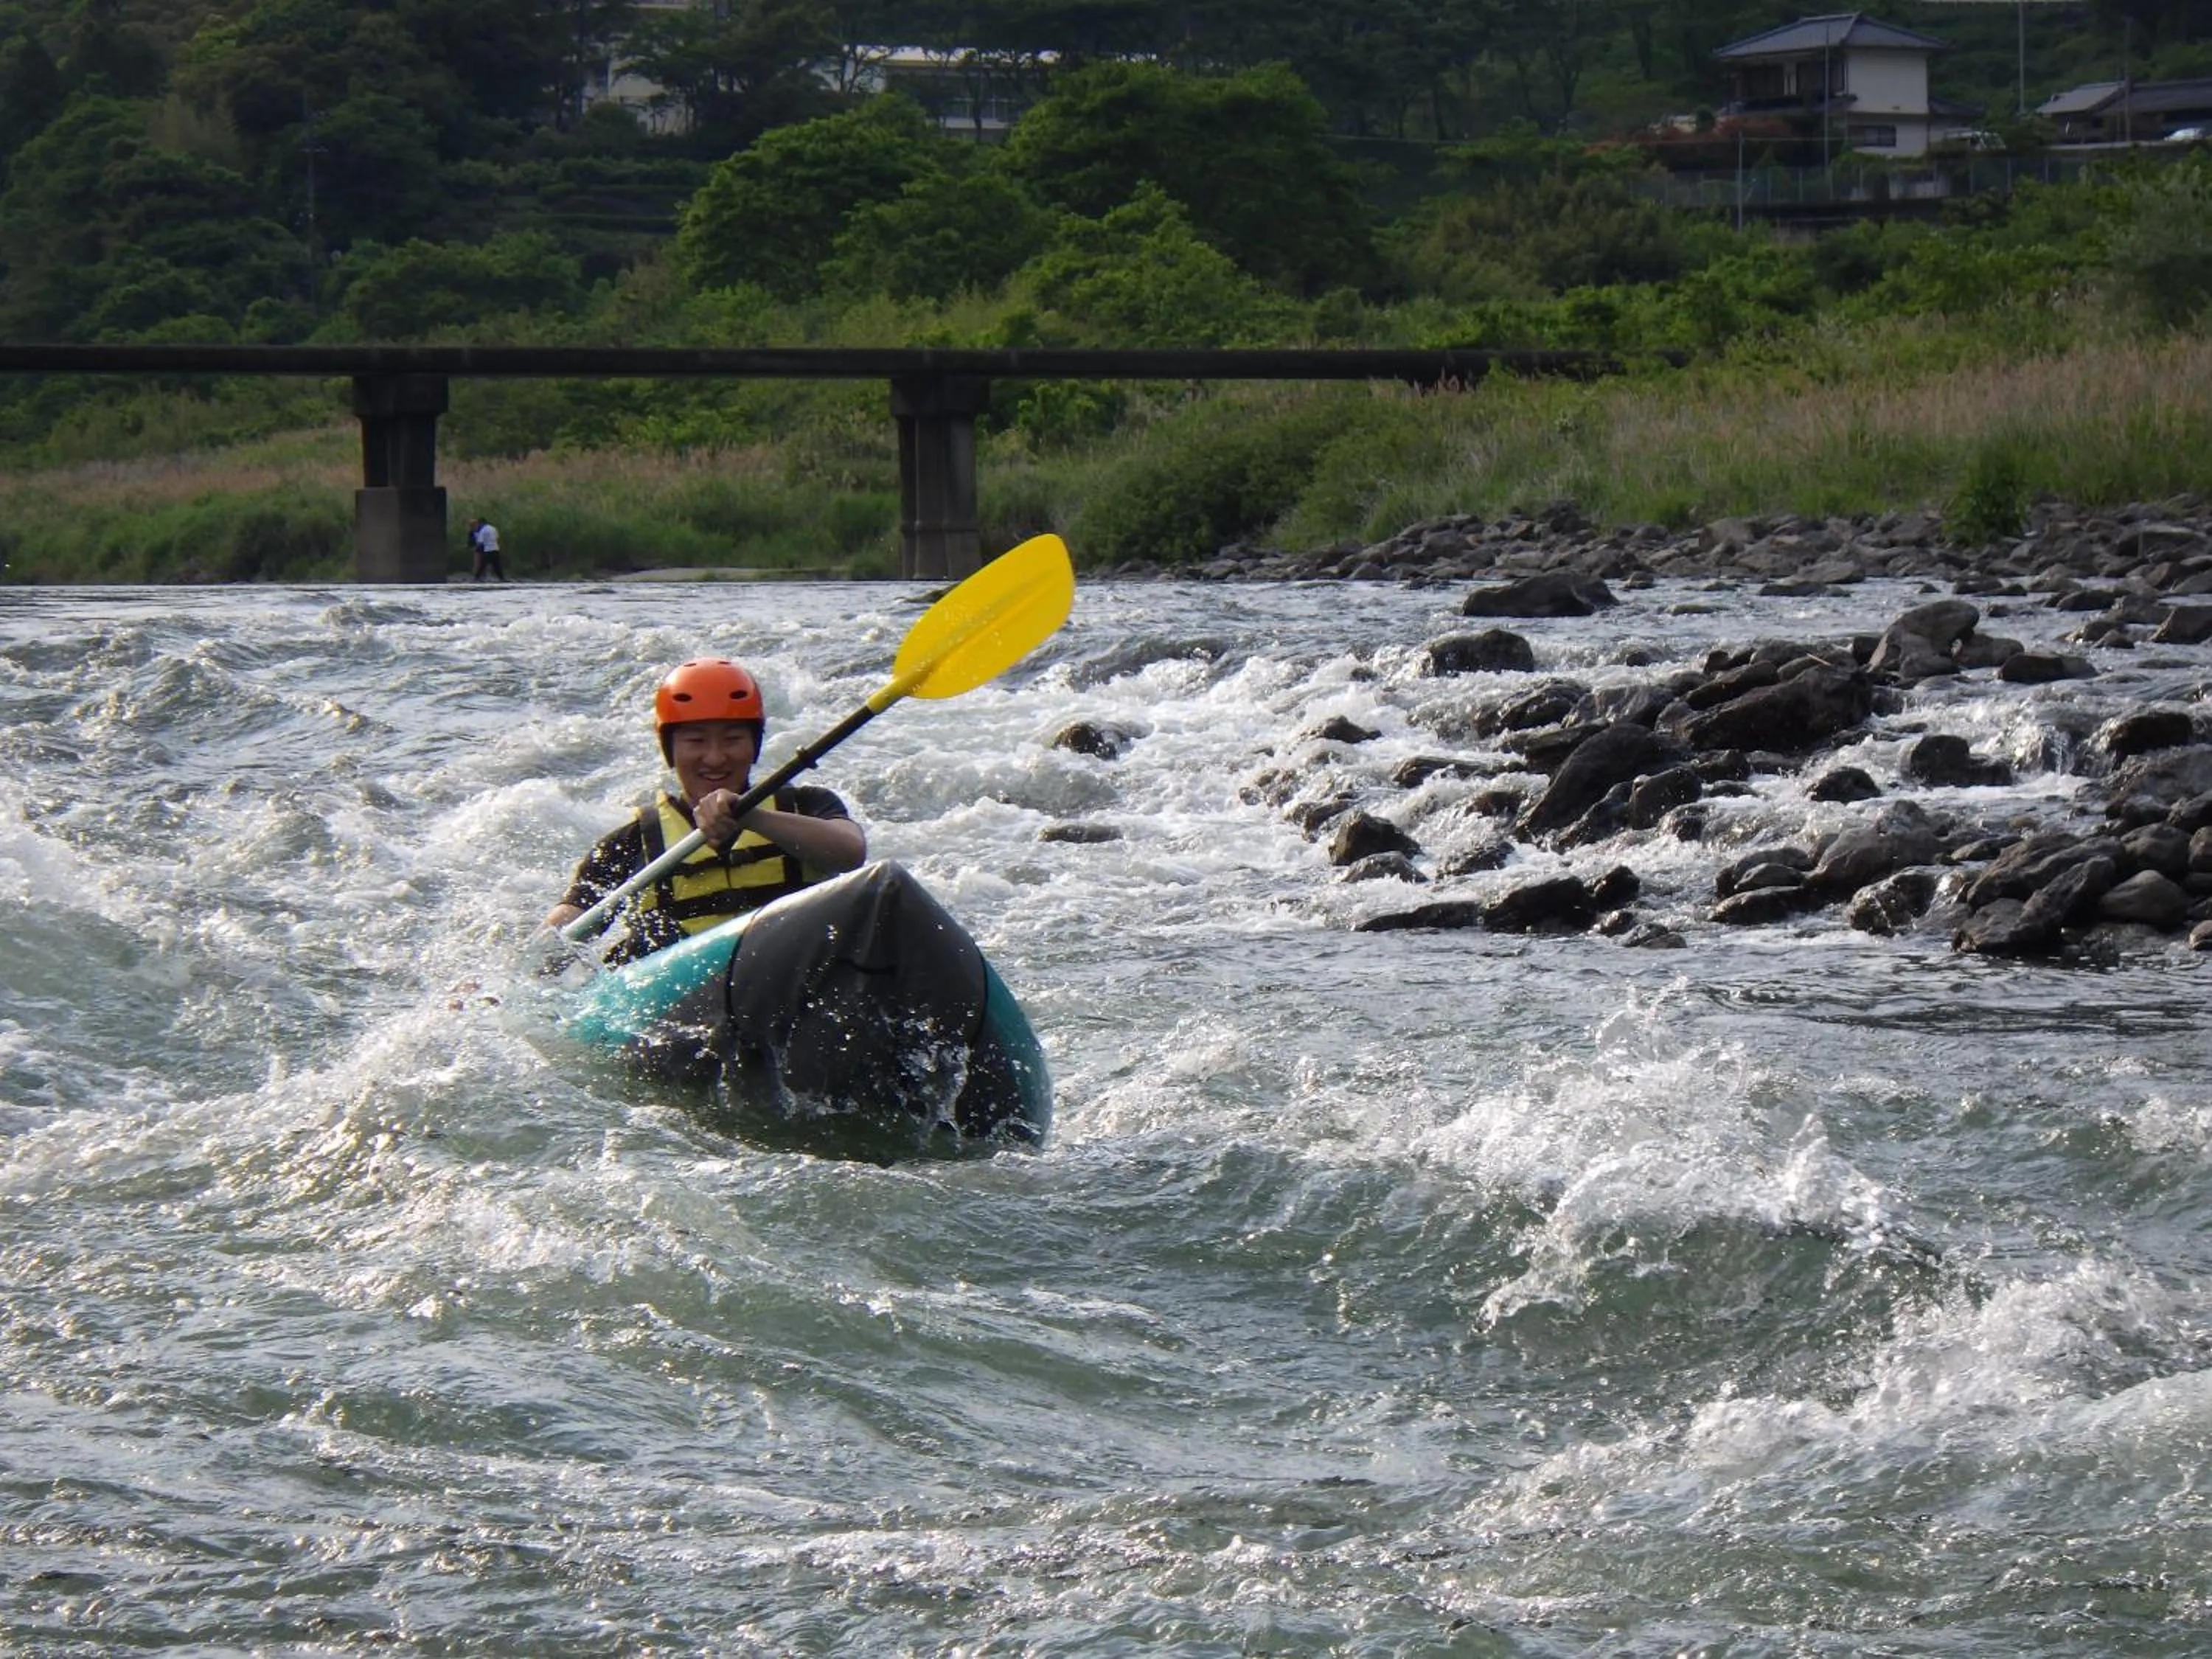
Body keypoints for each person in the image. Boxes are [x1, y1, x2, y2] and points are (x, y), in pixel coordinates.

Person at [546, 658, 867, 964]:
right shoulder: (631, 843)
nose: (714, 758)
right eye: (696, 741)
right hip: (690, 999)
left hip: (792, 971)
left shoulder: (806, 806)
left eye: (732, 739)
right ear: (670, 750)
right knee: (648, 937)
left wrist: (752, 815)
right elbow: (559, 937)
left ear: (753, 747)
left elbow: (851, 852)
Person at [468, 518, 506, 582]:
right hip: (495, 548)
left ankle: (476, 578)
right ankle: (502, 578)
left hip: (488, 549)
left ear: (481, 523)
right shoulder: (493, 529)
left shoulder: (483, 531)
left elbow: (480, 542)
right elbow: (497, 537)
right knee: (496, 565)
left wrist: (476, 548)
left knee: (483, 565)